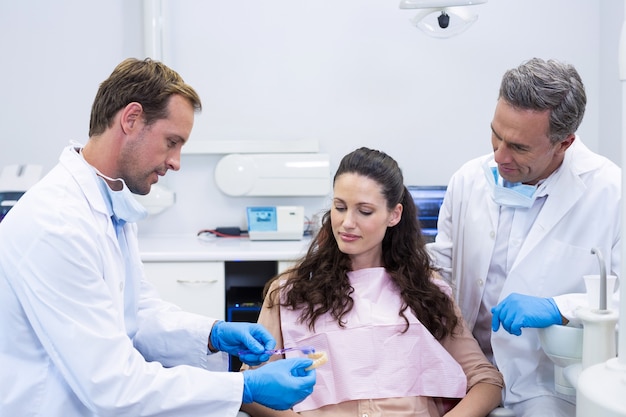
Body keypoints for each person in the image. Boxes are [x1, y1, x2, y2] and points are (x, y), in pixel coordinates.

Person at [0, 58, 316, 417]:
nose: (176, 162)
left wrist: (213, 333)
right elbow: (113, 386)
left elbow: (137, 315)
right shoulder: (56, 224)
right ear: (131, 119)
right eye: (171, 142)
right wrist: (245, 388)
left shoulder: (111, 203)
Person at [240, 147, 504, 417]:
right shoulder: (291, 292)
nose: (346, 223)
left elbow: (487, 381)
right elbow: (248, 388)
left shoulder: (425, 291)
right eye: (339, 207)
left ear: (394, 214)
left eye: (364, 211)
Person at [427, 57, 621, 417]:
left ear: (564, 143)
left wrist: (561, 308)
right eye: (496, 136)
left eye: (518, 147)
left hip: (548, 381)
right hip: (466, 371)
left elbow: (621, 296)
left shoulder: (610, 192)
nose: (499, 156)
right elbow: (441, 270)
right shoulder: (469, 179)